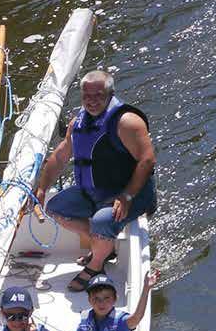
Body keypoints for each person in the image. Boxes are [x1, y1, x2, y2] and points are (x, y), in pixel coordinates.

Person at [36, 70, 157, 292]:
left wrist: (127, 196)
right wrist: (42, 188)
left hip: (130, 194)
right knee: (55, 208)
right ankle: (104, 247)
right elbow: (60, 156)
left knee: (102, 221)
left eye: (98, 96)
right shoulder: (78, 122)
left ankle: (96, 264)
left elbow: (147, 160)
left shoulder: (127, 122)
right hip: (94, 192)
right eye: (86, 96)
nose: (91, 101)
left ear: (111, 94)